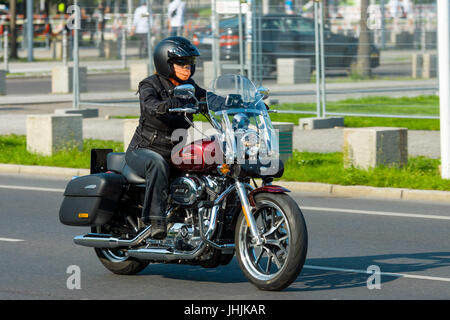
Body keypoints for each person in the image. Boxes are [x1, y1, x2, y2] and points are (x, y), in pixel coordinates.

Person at [125, 37, 206, 239]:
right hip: (144, 151)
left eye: (190, 63)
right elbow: (150, 105)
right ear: (165, 63)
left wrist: (235, 101)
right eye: (181, 63)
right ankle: (155, 219)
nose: (187, 68)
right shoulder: (149, 85)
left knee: (210, 161)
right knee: (157, 164)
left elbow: (208, 98)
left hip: (174, 151)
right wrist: (165, 105)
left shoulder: (189, 86)